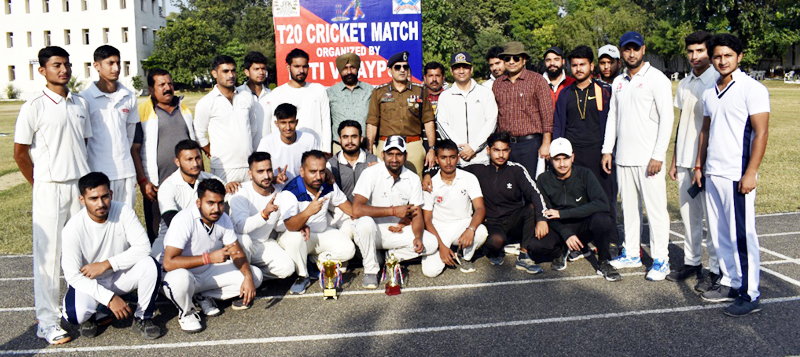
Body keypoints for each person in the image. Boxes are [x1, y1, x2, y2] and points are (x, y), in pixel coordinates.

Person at [13, 46, 92, 345]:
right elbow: (20, 153)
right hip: (49, 187)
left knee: (82, 252)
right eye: (57, 65)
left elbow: (83, 144)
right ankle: (46, 322)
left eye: (67, 65)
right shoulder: (33, 106)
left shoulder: (80, 103)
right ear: (42, 70)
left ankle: (83, 310)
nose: (64, 70)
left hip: (78, 187)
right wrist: (39, 183)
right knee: (48, 257)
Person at [694, 34, 770, 316]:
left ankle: (751, 294)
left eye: (728, 55)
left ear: (739, 57)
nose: (722, 61)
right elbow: (706, 131)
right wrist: (699, 166)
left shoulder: (752, 89)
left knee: (742, 235)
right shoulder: (709, 91)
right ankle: (730, 282)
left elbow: (761, 132)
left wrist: (751, 172)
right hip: (713, 172)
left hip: (738, 174)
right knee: (719, 233)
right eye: (717, 56)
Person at [602, 31, 674, 281]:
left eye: (635, 48)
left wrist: (658, 155)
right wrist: (607, 149)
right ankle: (632, 253)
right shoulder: (619, 82)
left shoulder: (657, 79)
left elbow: (667, 119)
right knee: (629, 210)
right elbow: (613, 117)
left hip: (648, 160)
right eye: (627, 49)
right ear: (622, 52)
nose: (631, 54)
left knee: (655, 211)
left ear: (643, 49)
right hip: (623, 157)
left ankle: (661, 260)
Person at [60, 172, 162, 340]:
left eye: (105, 197)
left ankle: (143, 317)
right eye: (93, 199)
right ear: (82, 200)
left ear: (111, 194)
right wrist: (109, 298)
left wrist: (106, 264)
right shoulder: (72, 228)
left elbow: (144, 247)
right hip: (91, 282)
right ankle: (95, 314)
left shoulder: (123, 211)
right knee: (74, 315)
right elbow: (72, 275)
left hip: (117, 275)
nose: (101, 203)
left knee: (150, 265)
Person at [161, 179, 263, 333]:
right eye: (210, 203)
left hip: (205, 273)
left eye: (220, 203)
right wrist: (208, 258)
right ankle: (186, 313)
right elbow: (168, 263)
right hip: (176, 276)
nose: (216, 209)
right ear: (198, 202)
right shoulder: (183, 219)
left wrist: (248, 277)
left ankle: (201, 296)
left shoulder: (223, 218)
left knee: (255, 276)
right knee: (181, 280)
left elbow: (236, 252)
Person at [553, 45, 619, 257]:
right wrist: (559, 155)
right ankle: (579, 243)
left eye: (583, 64)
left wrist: (608, 151)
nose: (578, 69)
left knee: (605, 197)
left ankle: (609, 240)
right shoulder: (565, 94)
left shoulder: (604, 91)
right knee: (576, 199)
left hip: (599, 153)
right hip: (574, 155)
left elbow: (612, 123)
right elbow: (558, 125)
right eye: (574, 65)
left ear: (592, 66)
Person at [668, 31, 719, 289]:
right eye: (690, 51)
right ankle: (692, 262)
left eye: (700, 51)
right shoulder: (685, 83)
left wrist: (702, 163)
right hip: (685, 161)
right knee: (689, 216)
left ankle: (717, 270)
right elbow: (682, 122)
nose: (694, 56)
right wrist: (675, 158)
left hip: (707, 163)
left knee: (713, 219)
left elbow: (712, 127)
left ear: (709, 52)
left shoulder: (716, 81)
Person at [457, 132, 553, 272]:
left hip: (513, 220)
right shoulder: (477, 169)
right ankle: (496, 251)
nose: (501, 155)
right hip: (491, 223)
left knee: (531, 208)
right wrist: (428, 175)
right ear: (488, 150)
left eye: (505, 150)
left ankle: (524, 256)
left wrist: (541, 219)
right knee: (496, 242)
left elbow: (535, 193)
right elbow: (451, 170)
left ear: (509, 150)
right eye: (496, 150)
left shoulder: (517, 169)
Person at [352, 136, 438, 288]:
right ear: (383, 155)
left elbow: (416, 214)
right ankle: (371, 270)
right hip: (373, 232)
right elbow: (357, 209)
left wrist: (418, 237)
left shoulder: (412, 178)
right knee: (364, 224)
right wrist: (393, 211)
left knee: (431, 243)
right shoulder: (370, 173)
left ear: (405, 156)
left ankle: (389, 256)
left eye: (399, 154)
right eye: (390, 154)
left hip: (398, 231)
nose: (394, 159)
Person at [537, 139, 622, 281]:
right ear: (550, 159)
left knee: (602, 219)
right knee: (537, 246)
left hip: (582, 224)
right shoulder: (543, 179)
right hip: (560, 226)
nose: (562, 164)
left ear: (573, 157)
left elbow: (603, 204)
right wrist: (566, 234)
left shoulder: (585, 174)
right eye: (557, 159)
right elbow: (547, 213)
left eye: (566, 158)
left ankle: (603, 261)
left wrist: (563, 213)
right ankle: (563, 250)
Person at [276, 150, 357, 294]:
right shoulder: (290, 191)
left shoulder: (328, 184)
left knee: (348, 250)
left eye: (322, 171)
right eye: (313, 172)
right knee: (295, 238)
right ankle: (303, 275)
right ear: (302, 171)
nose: (318, 177)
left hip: (321, 233)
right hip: (296, 236)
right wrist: (308, 212)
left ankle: (314, 261)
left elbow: (349, 209)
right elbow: (290, 225)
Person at [132, 68, 197, 241]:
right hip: (156, 186)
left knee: (190, 231)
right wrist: (143, 181)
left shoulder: (183, 108)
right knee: (158, 235)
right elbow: (135, 150)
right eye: (161, 85)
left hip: (187, 184)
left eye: (170, 84)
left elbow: (193, 144)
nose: (167, 88)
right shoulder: (142, 112)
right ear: (151, 89)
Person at [82, 45, 139, 208]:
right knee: (103, 218)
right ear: (97, 66)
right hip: (98, 172)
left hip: (126, 172)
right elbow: (83, 140)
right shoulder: (84, 99)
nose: (116, 68)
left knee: (126, 217)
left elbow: (129, 135)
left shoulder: (129, 96)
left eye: (118, 63)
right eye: (110, 63)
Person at [421, 140, 488, 277]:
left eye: (452, 157)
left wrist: (470, 229)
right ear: (437, 159)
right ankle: (448, 249)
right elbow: (427, 220)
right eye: (443, 158)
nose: (448, 162)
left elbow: (480, 208)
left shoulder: (469, 178)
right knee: (431, 271)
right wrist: (441, 247)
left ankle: (465, 256)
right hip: (439, 229)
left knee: (481, 232)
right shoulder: (430, 184)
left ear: (457, 158)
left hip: (463, 224)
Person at [366, 51, 436, 177]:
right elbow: (372, 122)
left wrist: (431, 149)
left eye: (405, 67)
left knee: (415, 182)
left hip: (412, 146)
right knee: (384, 183)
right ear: (390, 71)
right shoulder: (379, 92)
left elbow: (428, 121)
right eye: (398, 67)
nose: (402, 70)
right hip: (386, 146)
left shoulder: (420, 91)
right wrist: (370, 149)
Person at [150, 140, 224, 260]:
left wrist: (232, 188)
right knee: (156, 266)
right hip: (171, 242)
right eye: (189, 159)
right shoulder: (168, 186)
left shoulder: (212, 180)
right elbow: (172, 221)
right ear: (177, 162)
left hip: (206, 241)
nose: (195, 163)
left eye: (198, 158)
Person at [229, 152, 295, 282]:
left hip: (264, 243)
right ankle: (243, 275)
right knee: (245, 240)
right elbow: (241, 227)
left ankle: (254, 275)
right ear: (250, 174)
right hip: (241, 243)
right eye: (260, 171)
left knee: (287, 268)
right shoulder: (240, 191)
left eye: (269, 170)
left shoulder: (279, 193)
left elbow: (279, 227)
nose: (266, 176)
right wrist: (264, 214)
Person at [194, 55, 258, 183]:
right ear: (214, 74)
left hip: (248, 165)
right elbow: (199, 135)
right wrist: (212, 152)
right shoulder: (206, 102)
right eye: (225, 71)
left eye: (233, 71)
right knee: (223, 197)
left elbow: (253, 128)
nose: (231, 75)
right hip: (223, 168)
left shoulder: (246, 97)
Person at [493, 41, 554, 176]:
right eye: (507, 58)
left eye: (516, 58)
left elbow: (547, 114)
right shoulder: (497, 84)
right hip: (505, 145)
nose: (511, 62)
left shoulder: (537, 80)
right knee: (508, 184)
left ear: (524, 60)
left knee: (530, 183)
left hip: (530, 144)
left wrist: (546, 143)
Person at [436, 51, 498, 164]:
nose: (461, 71)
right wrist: (460, 148)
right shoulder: (445, 96)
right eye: (457, 68)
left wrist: (474, 147)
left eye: (465, 67)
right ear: (451, 71)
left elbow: (491, 121)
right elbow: (442, 124)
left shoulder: (485, 93)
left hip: (482, 157)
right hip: (457, 159)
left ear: (471, 69)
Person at [267, 48, 332, 153]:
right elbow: (275, 126)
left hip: (315, 150)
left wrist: (326, 151)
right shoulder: (277, 93)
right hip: (287, 151)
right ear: (288, 67)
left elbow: (326, 122)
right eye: (297, 66)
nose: (301, 71)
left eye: (304, 66)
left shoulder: (318, 90)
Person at [326, 120, 379, 239]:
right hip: (342, 216)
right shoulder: (330, 165)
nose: (349, 141)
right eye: (345, 137)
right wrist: (350, 213)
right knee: (347, 235)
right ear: (339, 139)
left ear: (361, 139)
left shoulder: (374, 161)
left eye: (354, 136)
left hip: (369, 214)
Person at [257, 103, 320, 182]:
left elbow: (319, 166)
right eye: (283, 123)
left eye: (291, 122)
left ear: (296, 122)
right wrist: (274, 179)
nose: (288, 127)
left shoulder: (309, 140)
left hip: (302, 188)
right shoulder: (266, 143)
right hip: (276, 188)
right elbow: (257, 172)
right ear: (276, 123)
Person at [328, 53, 373, 154]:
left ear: (358, 69)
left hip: (365, 147)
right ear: (340, 71)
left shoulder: (369, 90)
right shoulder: (330, 93)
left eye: (352, 67)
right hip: (339, 148)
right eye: (345, 68)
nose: (349, 72)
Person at [236, 51, 272, 146]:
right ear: (247, 72)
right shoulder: (237, 94)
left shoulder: (271, 95)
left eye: (263, 68)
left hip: (267, 151)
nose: (261, 72)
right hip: (245, 151)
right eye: (256, 69)